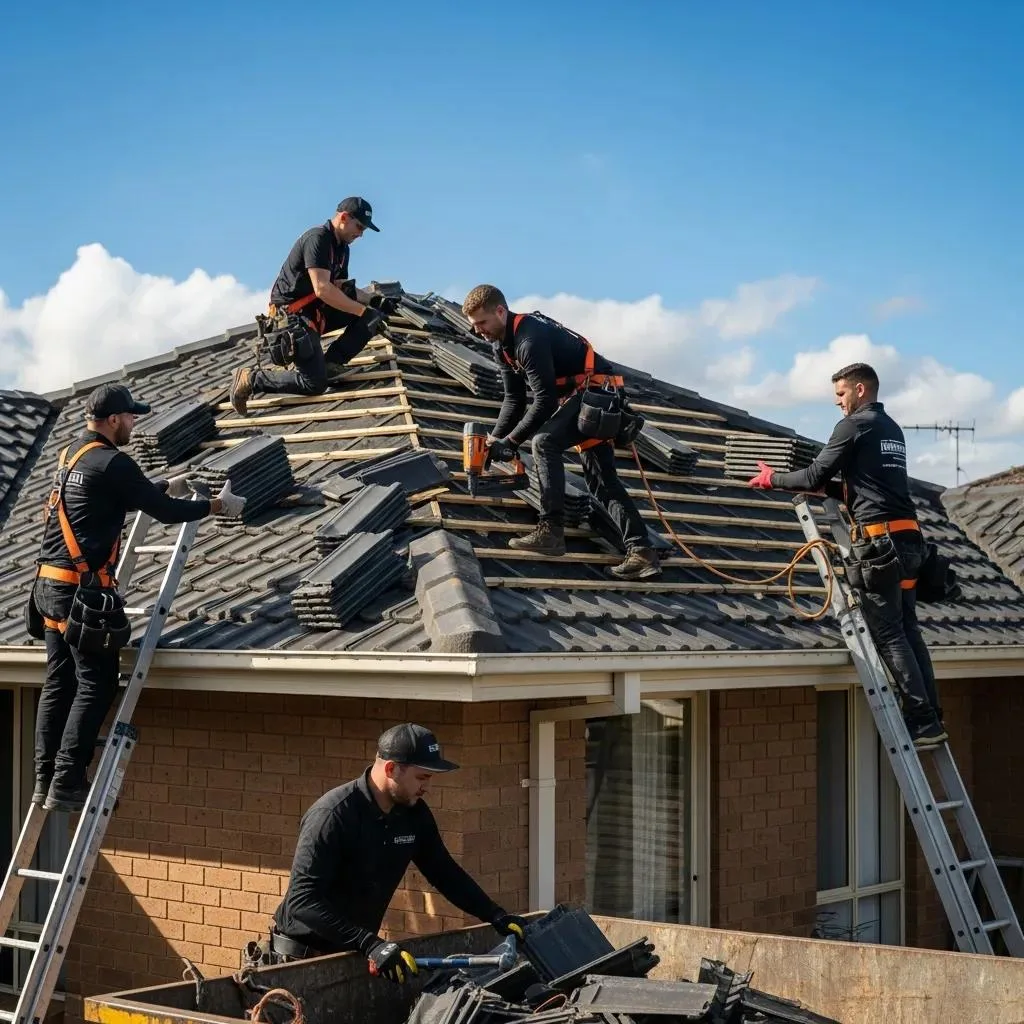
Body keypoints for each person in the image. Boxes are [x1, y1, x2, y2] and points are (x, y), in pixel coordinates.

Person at [29, 383, 247, 812]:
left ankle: (44, 779)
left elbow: (106, 497)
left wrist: (161, 484)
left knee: (59, 681)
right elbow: (163, 512)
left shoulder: (71, 454)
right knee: (97, 683)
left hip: (47, 586)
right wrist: (216, 506)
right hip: (78, 592)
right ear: (113, 420)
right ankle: (67, 781)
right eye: (130, 417)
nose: (133, 423)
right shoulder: (114, 461)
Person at [746, 362, 946, 748]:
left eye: (840, 394)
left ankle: (921, 719)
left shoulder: (852, 426)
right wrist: (832, 491)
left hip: (880, 545)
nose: (837, 402)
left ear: (859, 389)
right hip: (909, 541)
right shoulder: (890, 428)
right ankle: (933, 718)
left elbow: (812, 476)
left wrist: (772, 479)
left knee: (888, 632)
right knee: (908, 628)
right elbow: (871, 489)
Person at [260, 724, 527, 982]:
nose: (427, 787)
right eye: (422, 777)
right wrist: (369, 943)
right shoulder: (333, 815)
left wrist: (494, 915)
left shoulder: (413, 813)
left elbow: (444, 872)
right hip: (298, 964)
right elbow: (302, 901)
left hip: (352, 955)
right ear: (391, 769)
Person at [461, 284, 660, 581]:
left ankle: (550, 531)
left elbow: (545, 401)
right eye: (474, 326)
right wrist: (495, 440)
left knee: (544, 442)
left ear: (500, 311)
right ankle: (642, 553)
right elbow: (514, 400)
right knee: (601, 482)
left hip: (598, 397)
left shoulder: (529, 338)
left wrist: (512, 442)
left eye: (482, 323)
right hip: (585, 400)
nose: (479, 331)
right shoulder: (501, 347)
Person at [229, 197, 398, 415]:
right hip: (292, 319)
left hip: (315, 313)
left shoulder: (342, 248)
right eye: (359, 227)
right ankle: (250, 379)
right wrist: (363, 310)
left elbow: (341, 287)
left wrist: (374, 302)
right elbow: (323, 289)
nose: (361, 234)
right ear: (344, 217)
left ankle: (331, 363)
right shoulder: (317, 238)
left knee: (370, 317)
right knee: (314, 384)